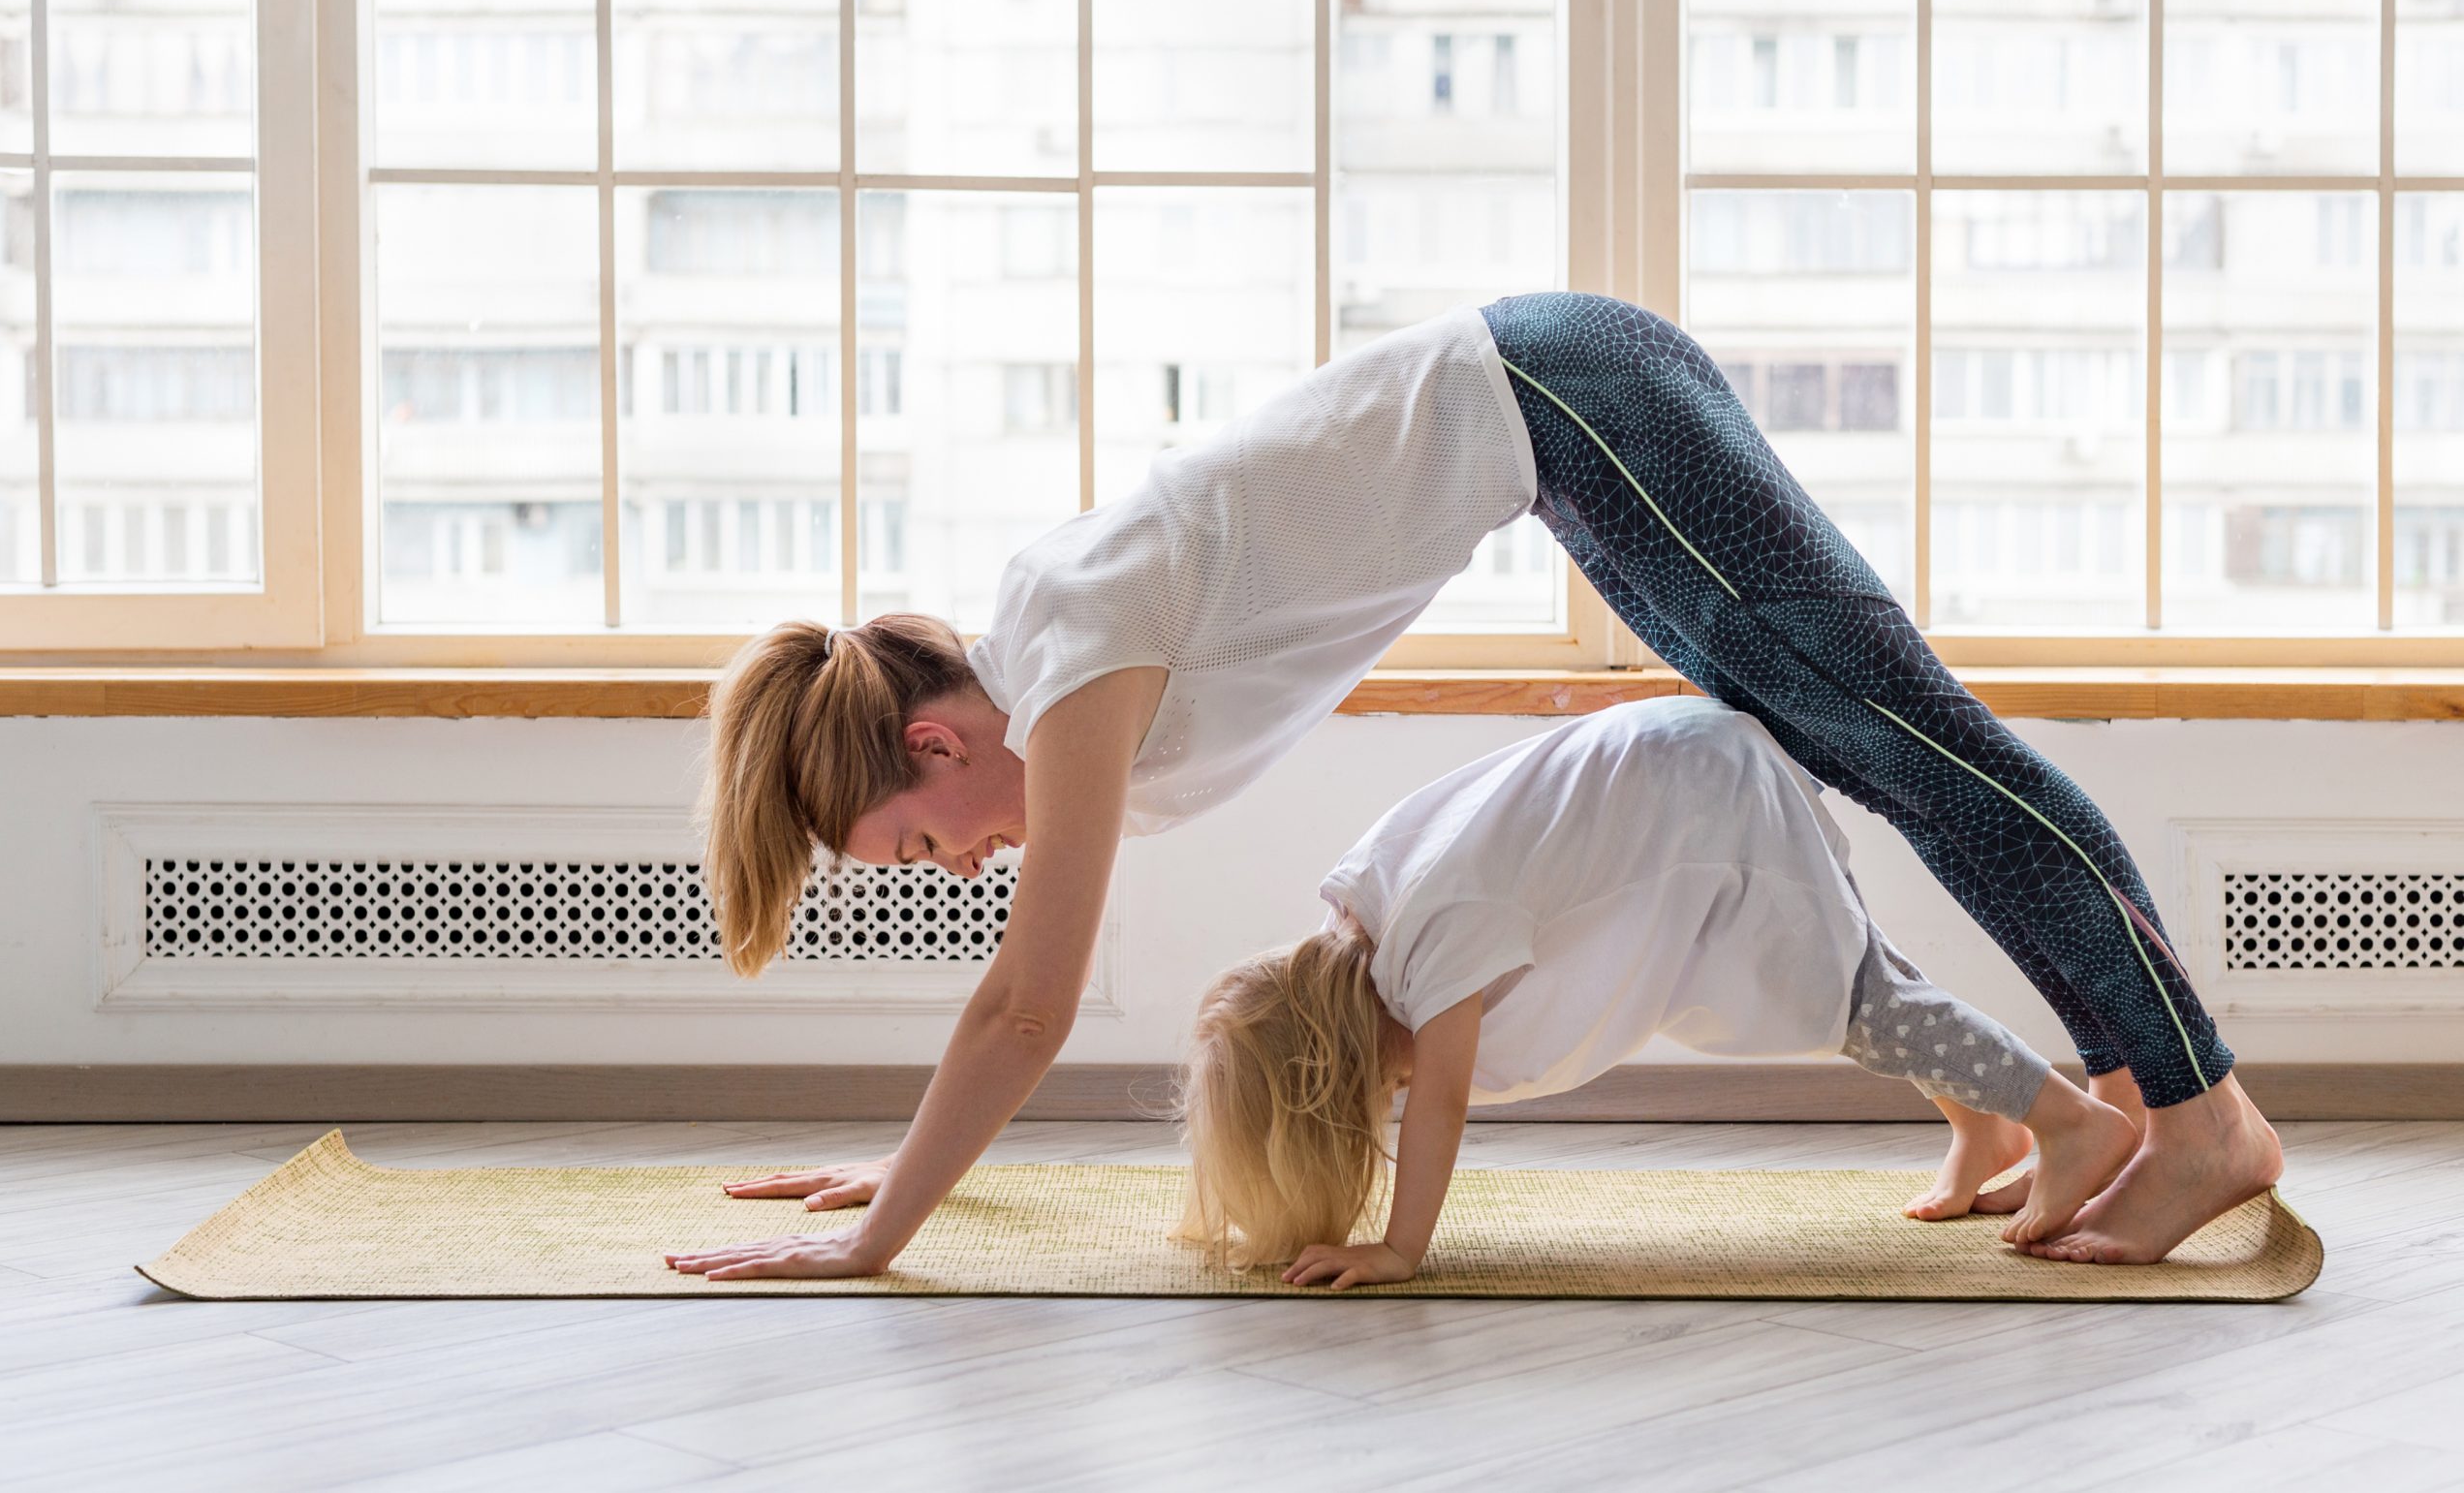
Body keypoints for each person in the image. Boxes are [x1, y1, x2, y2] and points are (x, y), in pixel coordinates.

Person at [662, 293, 2277, 1287]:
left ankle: (2198, 1115)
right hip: (1565, 432)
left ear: (934, 744)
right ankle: (2131, 1106)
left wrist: (881, 1232)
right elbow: (1015, 996)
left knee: (1922, 751)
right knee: (1894, 757)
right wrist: (913, 1155)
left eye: (917, 842)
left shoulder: (1070, 662)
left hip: (1574, 395)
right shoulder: (1068, 652)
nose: (957, 864)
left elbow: (1030, 999)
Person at [1174, 696, 2142, 1283]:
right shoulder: (1369, 905)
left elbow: (1443, 1098)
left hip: (1703, 800)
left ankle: (2068, 1122)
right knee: (1855, 974)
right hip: (1682, 772)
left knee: (1851, 998)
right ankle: (1984, 1126)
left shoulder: (1429, 951)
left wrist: (1400, 1246)